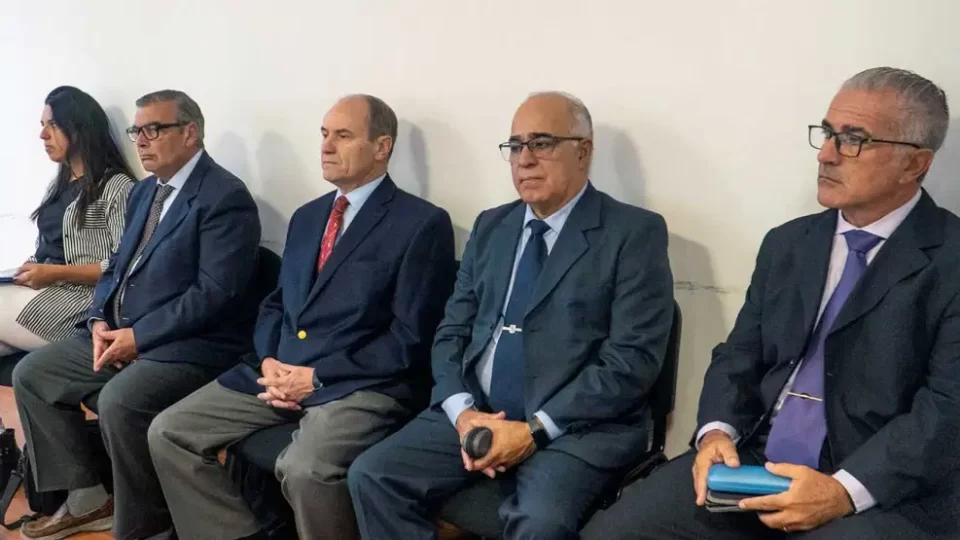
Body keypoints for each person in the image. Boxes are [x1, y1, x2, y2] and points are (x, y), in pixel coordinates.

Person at [581, 67, 959, 540]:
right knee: (611, 533)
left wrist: (842, 491)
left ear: (914, 163)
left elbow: (946, 409)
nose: (825, 154)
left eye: (853, 139)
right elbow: (739, 355)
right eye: (827, 133)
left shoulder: (949, 258)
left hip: (879, 486)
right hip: (757, 457)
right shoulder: (788, 244)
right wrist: (717, 432)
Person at [348, 91, 675, 540]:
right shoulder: (491, 226)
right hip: (478, 412)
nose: (525, 159)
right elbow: (452, 331)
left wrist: (534, 430)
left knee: (539, 523)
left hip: (575, 426)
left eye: (541, 143)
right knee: (372, 475)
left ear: (584, 151)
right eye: (516, 146)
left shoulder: (632, 233)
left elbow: (631, 362)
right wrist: (463, 413)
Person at [148, 94, 457, 540]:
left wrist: (316, 377)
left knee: (305, 468)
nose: (326, 146)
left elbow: (409, 339)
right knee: (169, 431)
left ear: (382, 146)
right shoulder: (309, 216)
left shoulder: (421, 223)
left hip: (358, 384)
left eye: (343, 136)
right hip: (278, 370)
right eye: (325, 134)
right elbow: (277, 304)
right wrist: (270, 359)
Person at [13, 89, 262, 540]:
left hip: (189, 347)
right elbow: (116, 267)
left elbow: (213, 295)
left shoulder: (224, 197)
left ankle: (147, 528)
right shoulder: (146, 191)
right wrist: (98, 320)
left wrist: (140, 337)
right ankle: (88, 498)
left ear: (190, 133)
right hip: (124, 333)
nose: (141, 140)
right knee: (33, 374)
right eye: (136, 130)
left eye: (154, 129)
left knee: (119, 401)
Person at [0, 86, 135, 356]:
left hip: (80, 301)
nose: (43, 135)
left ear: (78, 128)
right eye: (42, 126)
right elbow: (48, 249)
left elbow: (123, 267)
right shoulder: (59, 185)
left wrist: (56, 273)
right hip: (44, 289)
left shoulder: (116, 186)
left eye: (53, 125)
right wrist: (29, 269)